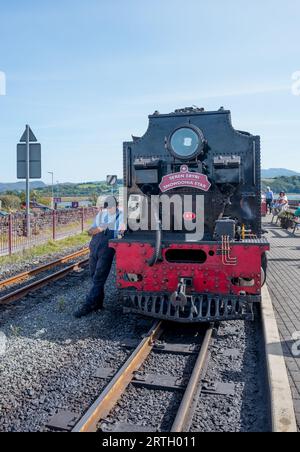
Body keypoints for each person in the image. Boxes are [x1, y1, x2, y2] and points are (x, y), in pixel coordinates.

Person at [74, 196, 125, 318]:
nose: (109, 208)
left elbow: (120, 233)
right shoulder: (101, 214)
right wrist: (99, 228)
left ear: (116, 205)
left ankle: (88, 305)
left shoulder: (122, 216)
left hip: (107, 249)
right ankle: (98, 303)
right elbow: (90, 231)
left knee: (99, 277)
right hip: (94, 246)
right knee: (93, 275)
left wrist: (104, 228)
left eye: (112, 206)